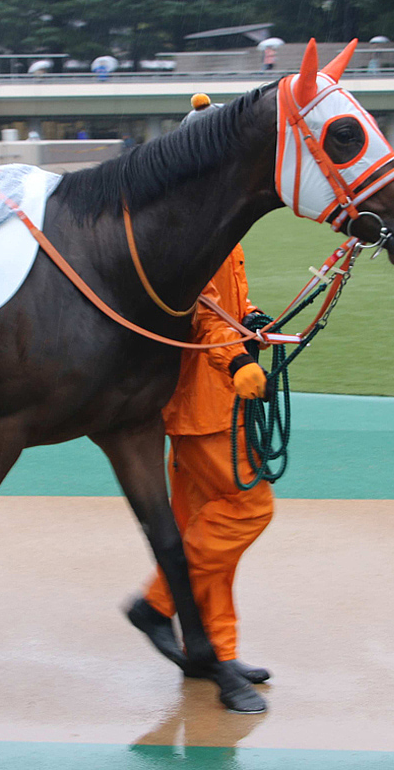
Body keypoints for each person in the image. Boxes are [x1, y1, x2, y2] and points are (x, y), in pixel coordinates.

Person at [126, 243, 273, 690]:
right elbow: (202, 314)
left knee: (205, 535)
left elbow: (222, 303)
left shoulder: (224, 226)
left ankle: (215, 651)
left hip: (210, 403)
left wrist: (248, 316)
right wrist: (237, 360)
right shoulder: (204, 222)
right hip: (206, 405)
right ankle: (156, 603)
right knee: (248, 509)